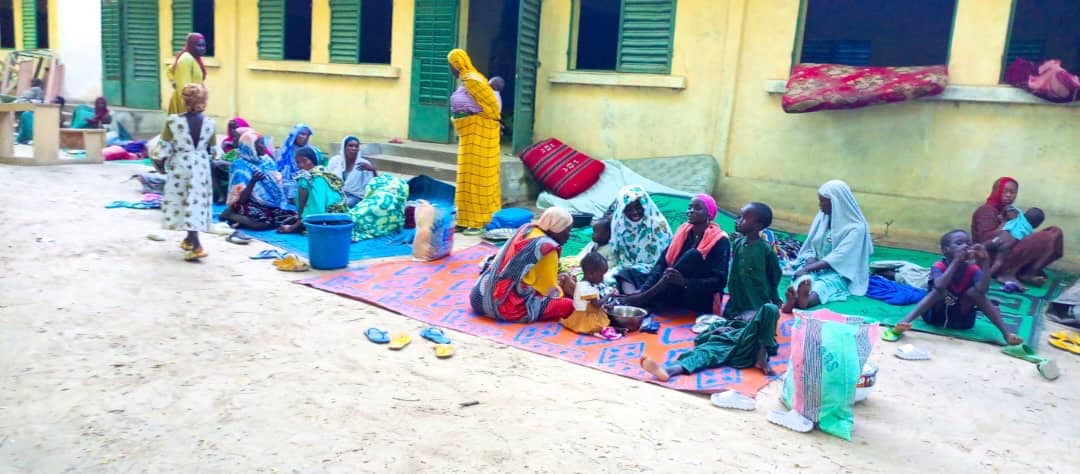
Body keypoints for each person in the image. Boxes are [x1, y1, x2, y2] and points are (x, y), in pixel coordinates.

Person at [640, 202, 781, 381]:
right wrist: (726, 324)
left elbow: (774, 276)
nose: (738, 221)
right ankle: (671, 370)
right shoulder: (737, 244)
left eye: (744, 218)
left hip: (756, 318)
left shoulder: (765, 250)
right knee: (713, 345)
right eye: (739, 216)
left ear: (758, 225)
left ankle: (761, 352)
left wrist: (773, 298)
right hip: (739, 330)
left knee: (770, 310)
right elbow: (733, 283)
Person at [889, 230, 1024, 346]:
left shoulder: (973, 269)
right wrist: (956, 261)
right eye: (959, 243)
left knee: (976, 293)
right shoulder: (939, 266)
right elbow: (939, 286)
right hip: (935, 317)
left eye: (968, 243)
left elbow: (983, 290)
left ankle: (1007, 334)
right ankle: (904, 322)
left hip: (962, 321)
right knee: (939, 291)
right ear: (945, 250)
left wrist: (985, 262)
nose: (965, 246)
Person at [624, 194, 730, 314]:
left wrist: (685, 282)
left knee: (693, 255)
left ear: (709, 215)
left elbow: (719, 281)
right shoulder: (683, 232)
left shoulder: (720, 240)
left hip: (696, 295)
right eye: (690, 207)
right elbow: (662, 263)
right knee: (627, 272)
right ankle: (643, 295)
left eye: (697, 208)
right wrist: (644, 288)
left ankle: (645, 298)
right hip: (672, 287)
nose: (691, 211)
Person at [470, 207, 578, 323]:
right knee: (569, 305)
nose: (569, 236)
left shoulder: (527, 229)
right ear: (557, 229)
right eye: (567, 231)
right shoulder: (548, 248)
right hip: (503, 307)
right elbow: (549, 291)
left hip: (479, 297)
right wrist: (566, 288)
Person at [782, 180, 873, 312]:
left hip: (840, 270)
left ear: (836, 202)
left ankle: (805, 301)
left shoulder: (857, 228)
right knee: (805, 279)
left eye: (823, 201)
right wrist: (811, 258)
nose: (820, 205)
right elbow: (812, 244)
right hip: (816, 264)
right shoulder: (822, 217)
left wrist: (808, 268)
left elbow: (840, 256)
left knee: (824, 285)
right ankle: (797, 299)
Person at [971, 177, 1064, 291]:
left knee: (1055, 233)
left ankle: (1028, 272)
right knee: (1045, 237)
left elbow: (1019, 229)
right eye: (1004, 192)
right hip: (991, 257)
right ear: (996, 191)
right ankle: (1005, 273)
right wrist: (1006, 222)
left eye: (1012, 192)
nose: (1008, 195)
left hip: (1008, 249)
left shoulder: (1012, 210)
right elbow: (986, 241)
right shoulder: (986, 210)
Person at [157, 84, 215, 261]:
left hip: (181, 165)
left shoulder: (173, 121)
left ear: (184, 100)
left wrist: (161, 163)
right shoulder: (210, 123)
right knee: (195, 202)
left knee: (184, 201)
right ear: (204, 101)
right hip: (201, 166)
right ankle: (189, 239)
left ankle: (197, 246)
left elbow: (163, 148)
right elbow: (213, 151)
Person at [447, 49, 502, 232]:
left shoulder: (473, 80)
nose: (450, 69)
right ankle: (465, 219)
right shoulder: (467, 80)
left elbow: (493, 110)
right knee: (466, 179)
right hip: (470, 138)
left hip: (480, 137)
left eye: (450, 65)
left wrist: (473, 117)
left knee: (479, 180)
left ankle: (480, 220)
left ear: (457, 64)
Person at [220, 131, 295, 231]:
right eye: (261, 143)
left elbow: (277, 186)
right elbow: (242, 199)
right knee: (261, 224)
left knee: (291, 218)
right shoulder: (239, 166)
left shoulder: (267, 161)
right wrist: (253, 181)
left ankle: (239, 220)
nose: (264, 146)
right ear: (251, 147)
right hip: (248, 202)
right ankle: (230, 215)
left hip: (269, 203)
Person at [609, 185, 673, 293]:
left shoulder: (656, 225)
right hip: (627, 268)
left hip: (654, 272)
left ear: (645, 206)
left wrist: (632, 270)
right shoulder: (619, 225)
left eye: (638, 207)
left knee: (624, 275)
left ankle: (631, 299)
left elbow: (659, 261)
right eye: (628, 209)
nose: (634, 212)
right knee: (607, 279)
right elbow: (616, 252)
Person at [277, 147, 346, 234]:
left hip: (327, 222)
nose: (301, 165)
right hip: (341, 216)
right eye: (298, 162)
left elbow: (316, 209)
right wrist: (298, 216)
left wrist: (292, 227)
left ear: (312, 160)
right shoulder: (323, 171)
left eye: (304, 161)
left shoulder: (306, 179)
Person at [987, 206, 1046, 288]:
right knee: (998, 262)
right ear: (1037, 224)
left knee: (983, 247)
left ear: (1024, 214)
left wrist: (1003, 215)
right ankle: (986, 278)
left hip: (998, 239)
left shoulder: (1019, 216)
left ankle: (971, 260)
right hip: (1006, 246)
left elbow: (1010, 208)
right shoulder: (1029, 231)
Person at [345, 174, 410, 241]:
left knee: (351, 220)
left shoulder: (376, 183)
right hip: (394, 221)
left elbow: (367, 196)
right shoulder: (402, 186)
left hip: (366, 216)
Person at [561, 252, 613, 334]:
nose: (603, 278)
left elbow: (589, 303)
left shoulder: (582, 283)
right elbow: (596, 304)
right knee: (602, 325)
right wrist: (610, 294)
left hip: (584, 311)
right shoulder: (587, 288)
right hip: (586, 317)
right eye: (601, 275)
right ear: (591, 274)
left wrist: (605, 306)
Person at [275, 123, 322, 202]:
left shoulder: (314, 151)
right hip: (287, 181)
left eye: (308, 135)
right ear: (295, 134)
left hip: (308, 179)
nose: (305, 137)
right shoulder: (285, 151)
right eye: (302, 134)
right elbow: (279, 169)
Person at [327, 135, 377, 207]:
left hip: (354, 196)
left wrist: (373, 170)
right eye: (350, 146)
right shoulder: (335, 161)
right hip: (336, 193)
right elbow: (327, 178)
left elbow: (374, 184)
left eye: (356, 146)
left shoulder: (364, 164)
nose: (354, 148)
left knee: (346, 204)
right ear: (344, 147)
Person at [166, 33, 207, 114]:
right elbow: (184, 88)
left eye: (203, 45)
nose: (202, 48)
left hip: (194, 105)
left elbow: (170, 69)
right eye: (199, 45)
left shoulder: (195, 59)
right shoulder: (186, 59)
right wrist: (189, 111)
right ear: (191, 46)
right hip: (187, 107)